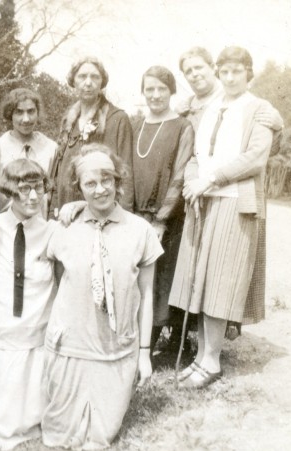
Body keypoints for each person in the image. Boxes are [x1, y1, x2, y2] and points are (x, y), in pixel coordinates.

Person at [42, 143, 163, 450]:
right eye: (90, 183)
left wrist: (144, 353)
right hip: (71, 344)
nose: (100, 190)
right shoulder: (63, 229)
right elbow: (57, 286)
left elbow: (146, 295)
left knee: (102, 435)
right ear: (78, 187)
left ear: (117, 181)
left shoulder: (140, 230)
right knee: (59, 434)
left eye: (106, 180)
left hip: (115, 347)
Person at [169, 46, 275, 389]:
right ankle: (201, 356)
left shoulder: (260, 110)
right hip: (204, 200)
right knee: (200, 279)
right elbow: (198, 156)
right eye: (225, 72)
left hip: (234, 202)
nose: (230, 78)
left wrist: (210, 181)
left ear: (248, 74)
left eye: (237, 72)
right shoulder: (211, 107)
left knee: (220, 281)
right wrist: (191, 184)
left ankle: (212, 361)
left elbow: (255, 158)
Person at [0, 159, 57, 450]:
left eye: (38, 189)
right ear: (10, 192)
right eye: (24, 189)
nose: (33, 197)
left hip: (35, 322)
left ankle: (30, 422)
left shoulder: (52, 232)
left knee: (30, 378)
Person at [122, 66, 194, 355]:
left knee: (163, 277)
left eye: (161, 89)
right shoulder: (135, 125)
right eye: (149, 89)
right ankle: (134, 338)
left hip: (167, 217)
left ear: (171, 91)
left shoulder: (182, 126)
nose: (155, 95)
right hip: (134, 214)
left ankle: (162, 343)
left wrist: (162, 219)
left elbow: (179, 173)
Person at [48, 56, 133, 217]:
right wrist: (53, 212)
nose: (88, 83)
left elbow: (126, 174)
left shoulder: (117, 118)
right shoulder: (68, 121)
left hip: (101, 212)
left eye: (95, 77)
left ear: (102, 82)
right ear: (73, 81)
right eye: (82, 76)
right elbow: (58, 173)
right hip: (66, 212)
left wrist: (123, 219)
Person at [0, 88, 57, 214]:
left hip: (40, 225)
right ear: (10, 114)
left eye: (31, 111)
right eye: (19, 112)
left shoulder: (51, 148)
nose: (26, 119)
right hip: (5, 226)